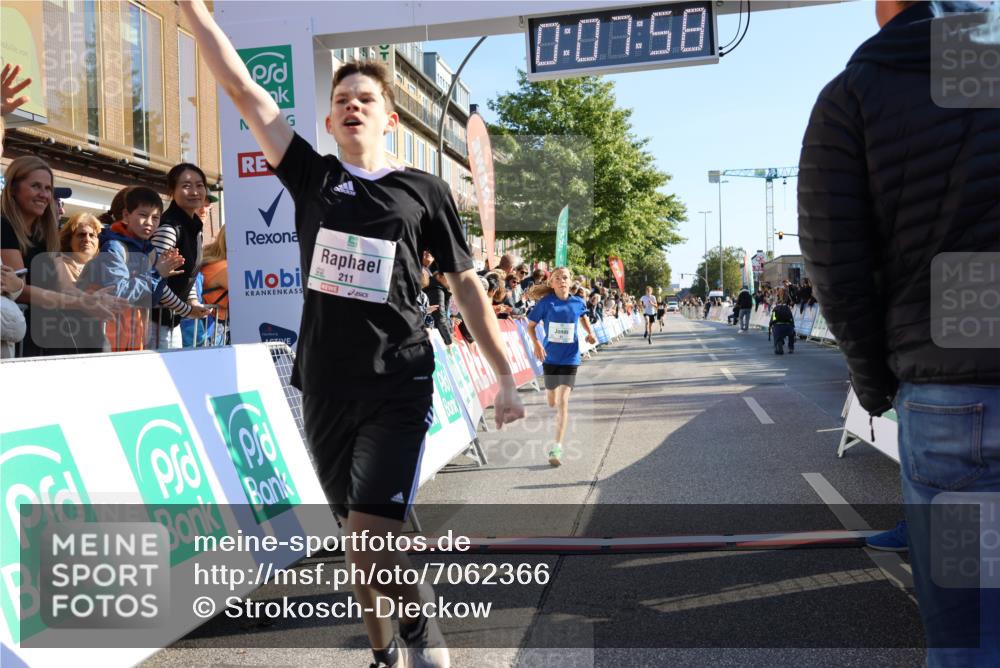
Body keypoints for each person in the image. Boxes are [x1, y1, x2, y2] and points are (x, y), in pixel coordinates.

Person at [180, 3, 526, 666]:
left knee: (369, 535)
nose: (353, 106)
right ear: (330, 118)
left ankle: (418, 628)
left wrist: (504, 375)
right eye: (342, 99)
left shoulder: (423, 190)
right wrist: (196, 12)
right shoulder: (313, 174)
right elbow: (242, 88)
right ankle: (383, 651)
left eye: (366, 98)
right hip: (326, 385)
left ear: (389, 117)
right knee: (358, 536)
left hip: (399, 380)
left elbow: (466, 285)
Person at [799, 2, 999, 663]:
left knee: (972, 634)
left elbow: (836, 259)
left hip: (955, 395)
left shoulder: (856, 93)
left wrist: (873, 381)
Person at [1, 156, 125, 356]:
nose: (44, 194)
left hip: (51, 325)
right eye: (36, 186)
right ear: (13, 188)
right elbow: (19, 290)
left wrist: (90, 299)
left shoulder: (46, 233)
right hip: (25, 333)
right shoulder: (4, 227)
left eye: (48, 188)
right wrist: (81, 303)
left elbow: (65, 285)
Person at [79, 187, 183, 351]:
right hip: (102, 340)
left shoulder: (149, 251)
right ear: (126, 215)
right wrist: (157, 274)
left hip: (132, 340)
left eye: (155, 217)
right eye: (143, 215)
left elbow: (150, 300)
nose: (149, 222)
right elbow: (118, 293)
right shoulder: (114, 247)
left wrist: (164, 273)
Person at [526, 267, 597, 467]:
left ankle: (557, 447)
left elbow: (582, 316)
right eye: (558, 278)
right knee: (552, 401)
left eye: (565, 277)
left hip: (570, 359)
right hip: (550, 358)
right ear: (552, 284)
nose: (562, 281)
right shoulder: (546, 303)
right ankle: (553, 403)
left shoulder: (577, 302)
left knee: (563, 402)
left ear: (570, 280)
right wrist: (537, 343)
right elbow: (530, 325)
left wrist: (589, 332)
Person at [149, 163, 212, 348]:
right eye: (186, 186)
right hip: (154, 324)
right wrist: (187, 309)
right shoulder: (169, 228)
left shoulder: (195, 228)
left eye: (199, 185)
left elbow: (187, 275)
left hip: (171, 322)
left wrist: (193, 302)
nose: (194, 191)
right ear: (172, 191)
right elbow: (155, 281)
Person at [54, 212, 101, 289]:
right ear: (69, 240)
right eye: (81, 235)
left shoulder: (105, 265)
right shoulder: (57, 263)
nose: (87, 239)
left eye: (92, 235)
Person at [200, 224, 229, 342]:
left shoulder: (215, 260)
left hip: (214, 327)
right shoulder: (224, 268)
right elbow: (245, 296)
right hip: (212, 329)